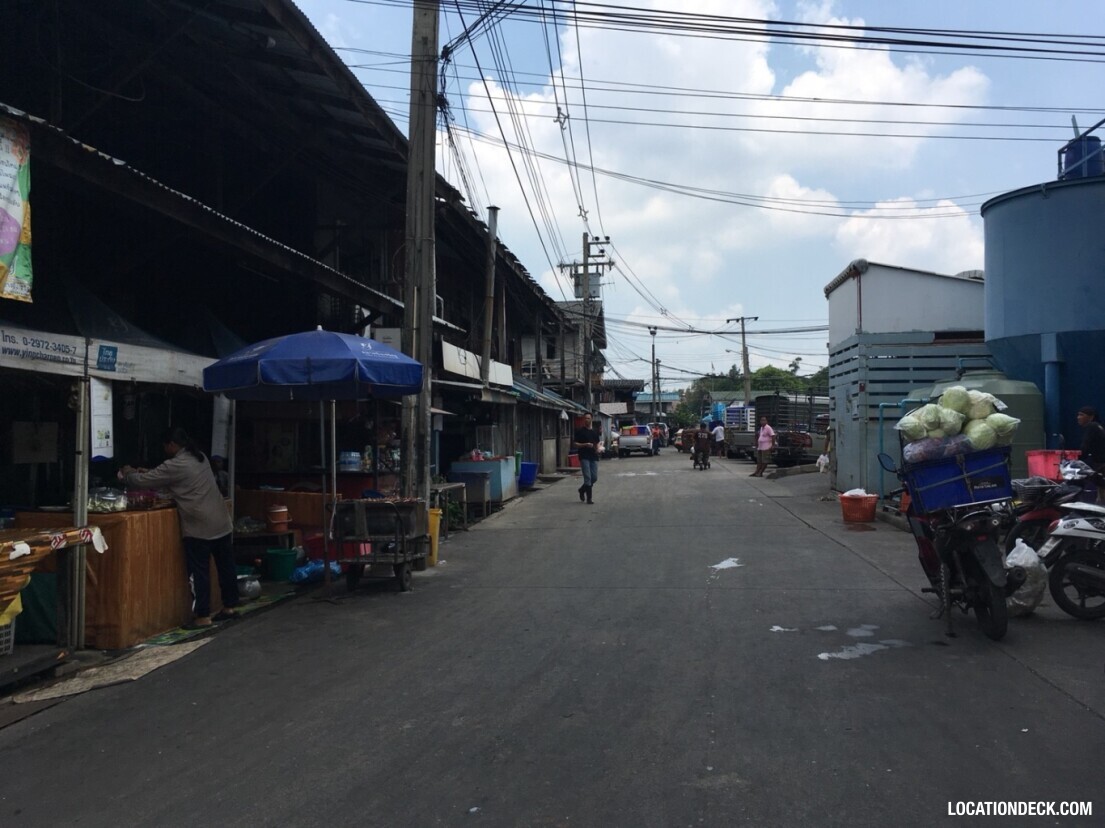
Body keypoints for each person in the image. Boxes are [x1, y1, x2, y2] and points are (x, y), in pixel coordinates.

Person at [119, 427, 239, 629]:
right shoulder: (200, 457)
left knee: (199, 571)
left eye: (165, 446)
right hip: (221, 520)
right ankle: (230, 607)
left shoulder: (175, 465)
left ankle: (203, 616)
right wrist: (149, 471)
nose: (165, 449)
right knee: (225, 565)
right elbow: (168, 477)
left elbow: (141, 482)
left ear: (172, 445)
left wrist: (128, 472)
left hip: (200, 526)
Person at [574, 413, 601, 504]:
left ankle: (582, 490)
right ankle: (589, 499)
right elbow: (575, 444)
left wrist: (598, 449)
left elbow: (597, 443)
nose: (587, 420)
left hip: (593, 456)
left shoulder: (594, 432)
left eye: (588, 418)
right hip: (584, 456)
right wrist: (585, 444)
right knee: (588, 478)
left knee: (594, 478)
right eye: (585, 418)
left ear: (591, 419)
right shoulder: (580, 431)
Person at [1077, 406, 1105, 472]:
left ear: (1091, 417)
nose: (1078, 417)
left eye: (1081, 415)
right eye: (1078, 415)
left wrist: (1076, 459)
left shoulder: (1092, 426)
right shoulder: (1098, 426)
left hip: (1098, 464)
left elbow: (1085, 447)